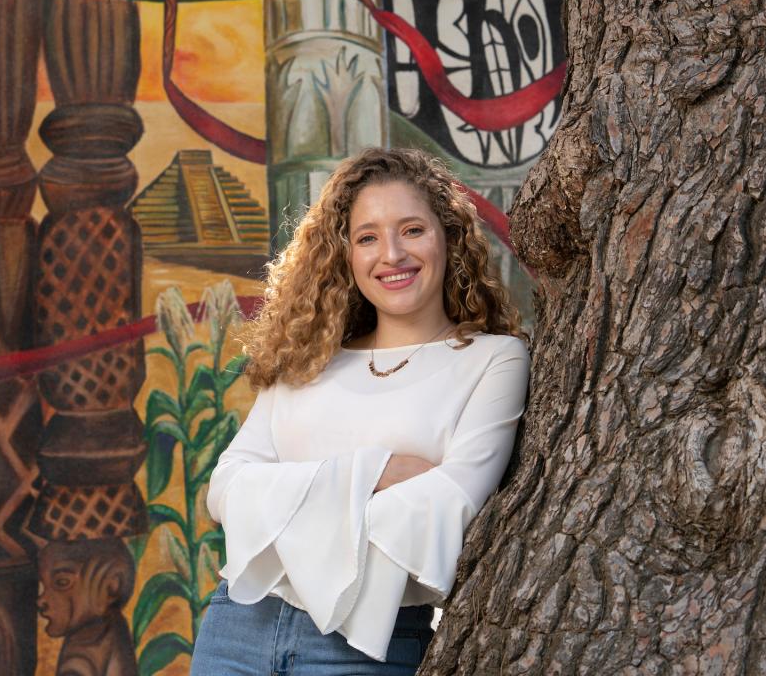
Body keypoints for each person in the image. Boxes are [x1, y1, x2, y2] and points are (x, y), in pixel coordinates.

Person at [191, 147, 530, 675]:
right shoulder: (308, 359)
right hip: (239, 626)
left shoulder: (493, 359)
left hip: (368, 638)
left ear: (447, 236)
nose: (391, 254)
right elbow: (225, 490)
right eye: (367, 237)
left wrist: (284, 499)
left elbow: (455, 504)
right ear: (344, 254)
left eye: (412, 230)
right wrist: (380, 472)